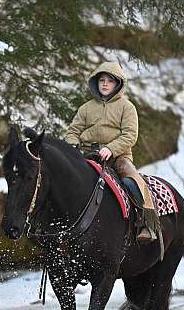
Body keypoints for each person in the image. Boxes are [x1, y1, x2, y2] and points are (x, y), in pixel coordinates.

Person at [64, 61, 159, 243]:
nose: (105, 84)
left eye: (110, 80)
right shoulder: (86, 108)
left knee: (132, 181)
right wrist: (73, 147)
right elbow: (72, 132)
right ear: (96, 83)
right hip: (86, 154)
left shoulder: (127, 107)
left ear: (118, 84)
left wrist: (111, 148)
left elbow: (130, 135)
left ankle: (145, 223)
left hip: (118, 156)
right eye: (101, 80)